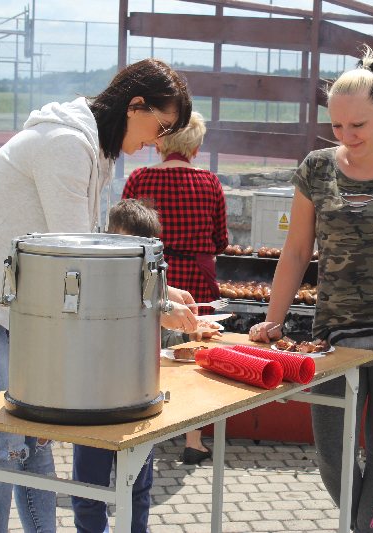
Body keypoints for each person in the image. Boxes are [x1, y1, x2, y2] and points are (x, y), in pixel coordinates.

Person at [0, 58, 198, 533]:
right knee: (3, 442)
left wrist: (161, 290)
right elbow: (80, 259)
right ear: (135, 106)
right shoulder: (66, 145)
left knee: (36, 439)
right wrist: (157, 305)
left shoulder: (95, 151)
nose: (159, 141)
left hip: (7, 304)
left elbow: (92, 247)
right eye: (161, 127)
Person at [248, 46, 373, 532]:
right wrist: (273, 321)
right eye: (337, 126)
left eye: (357, 125)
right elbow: (296, 253)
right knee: (332, 454)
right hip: (334, 332)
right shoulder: (316, 169)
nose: (346, 136)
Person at [71, 198, 218, 533]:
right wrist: (162, 307)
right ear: (108, 240)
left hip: (138, 402)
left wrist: (176, 309)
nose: (132, 261)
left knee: (138, 487)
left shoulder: (151, 284)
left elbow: (158, 316)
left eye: (141, 254)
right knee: (89, 491)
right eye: (125, 249)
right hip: (92, 403)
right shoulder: (91, 278)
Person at [122, 111, 229, 465]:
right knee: (195, 356)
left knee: (146, 350)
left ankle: (144, 420)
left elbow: (123, 233)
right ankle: (193, 440)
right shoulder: (210, 183)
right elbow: (221, 240)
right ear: (195, 148)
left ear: (160, 143)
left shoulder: (139, 178)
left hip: (152, 274)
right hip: (197, 278)